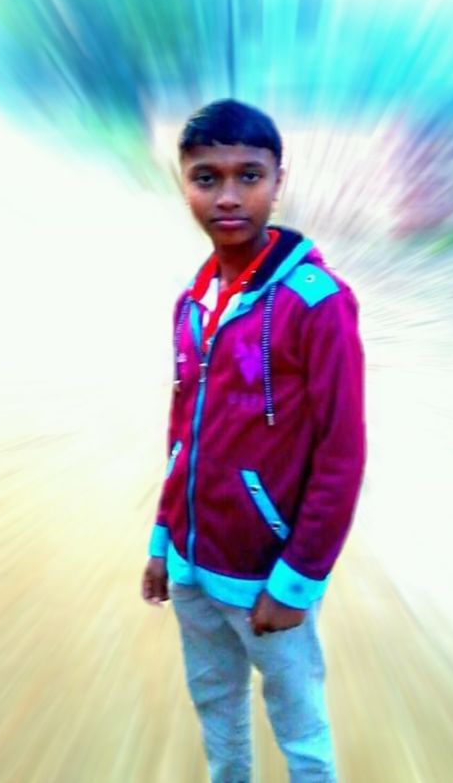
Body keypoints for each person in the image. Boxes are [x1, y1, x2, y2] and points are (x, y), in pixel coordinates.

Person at [141, 99, 366, 783]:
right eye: (206, 177)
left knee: (299, 724)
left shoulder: (316, 302)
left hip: (267, 571)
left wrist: (297, 581)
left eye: (249, 175)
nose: (229, 197)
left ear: (278, 180)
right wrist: (162, 541)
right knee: (215, 702)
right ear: (184, 184)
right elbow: (184, 431)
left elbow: (341, 454)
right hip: (191, 567)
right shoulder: (192, 301)